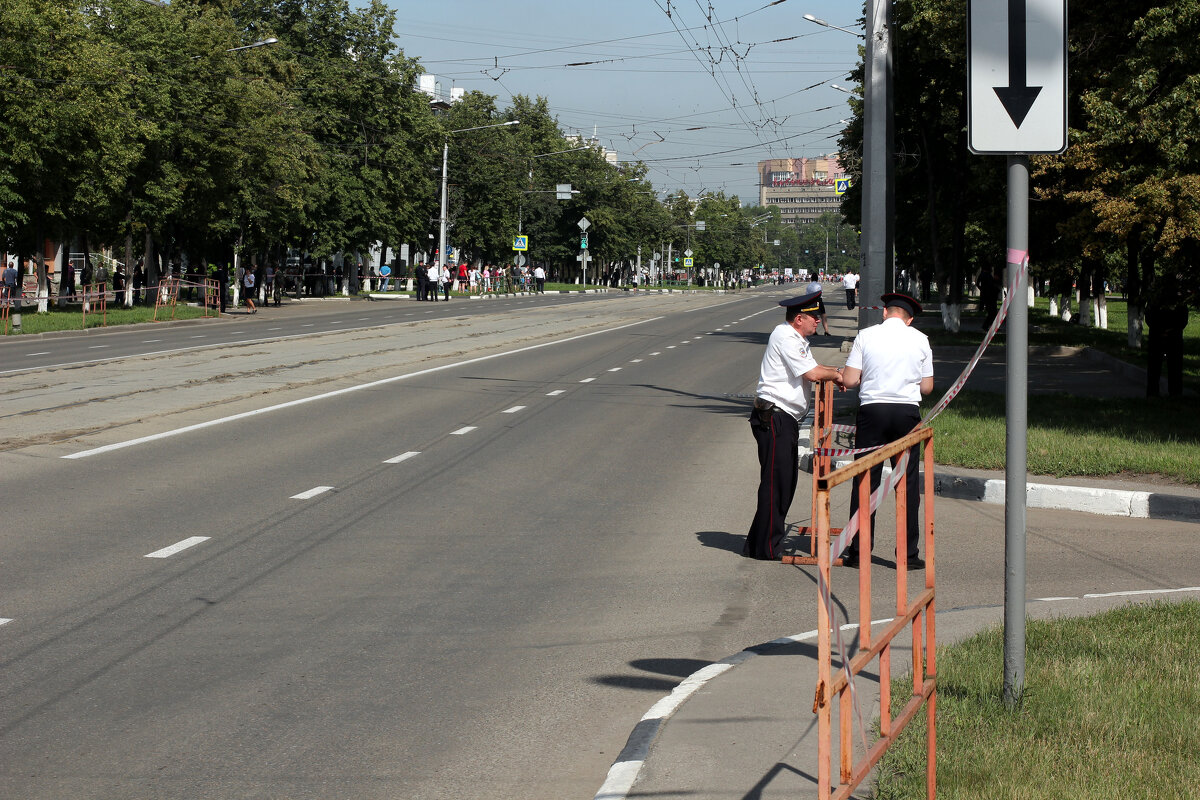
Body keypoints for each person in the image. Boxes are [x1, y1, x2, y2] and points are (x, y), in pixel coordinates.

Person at [745, 288, 845, 560]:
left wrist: (833, 373)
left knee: (782, 483)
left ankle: (758, 543)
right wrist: (837, 374)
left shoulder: (796, 338)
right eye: (814, 317)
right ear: (799, 318)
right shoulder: (785, 336)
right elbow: (813, 373)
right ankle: (766, 548)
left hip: (782, 418)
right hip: (775, 417)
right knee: (777, 484)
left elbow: (814, 366)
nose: (818, 321)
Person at [837, 293, 934, 569]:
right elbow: (926, 388)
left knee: (865, 481)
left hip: (872, 412)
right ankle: (908, 555)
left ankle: (859, 552)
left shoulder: (866, 336)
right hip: (906, 414)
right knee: (908, 482)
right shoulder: (921, 339)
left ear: (884, 313)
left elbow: (851, 379)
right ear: (910, 319)